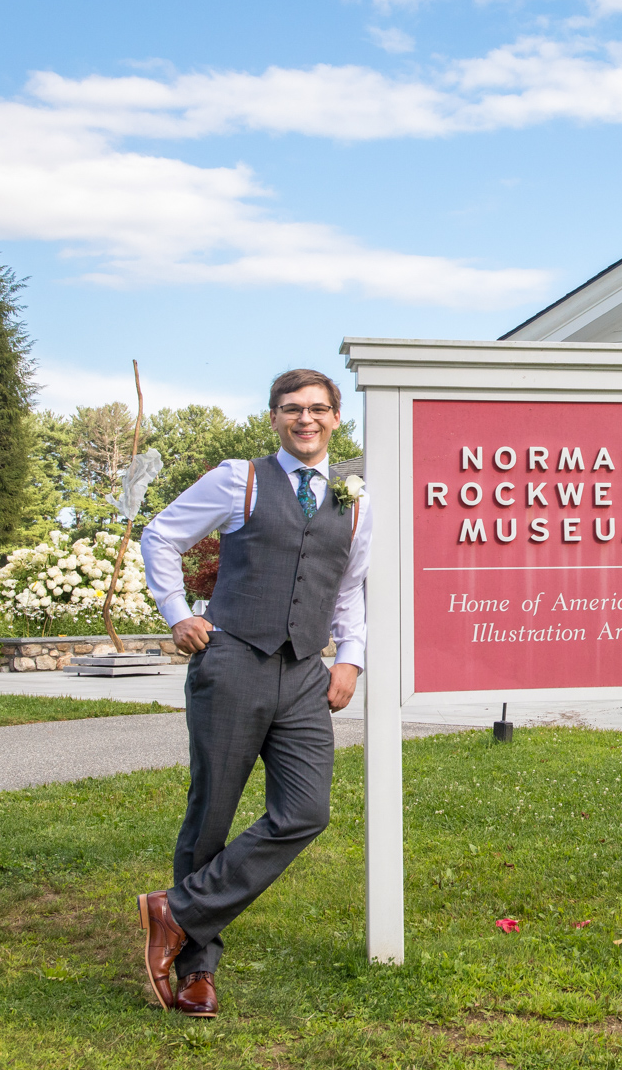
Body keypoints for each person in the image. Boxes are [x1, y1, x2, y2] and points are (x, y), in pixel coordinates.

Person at [135, 368, 372, 1019]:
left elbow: (350, 589)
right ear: (273, 418)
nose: (305, 418)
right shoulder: (236, 478)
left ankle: (173, 911)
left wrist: (350, 661)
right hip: (231, 659)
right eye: (292, 409)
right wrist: (176, 612)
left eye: (317, 409)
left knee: (306, 811)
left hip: (303, 675)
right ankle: (197, 972)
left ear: (334, 418)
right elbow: (161, 535)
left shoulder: (357, 501)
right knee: (211, 814)